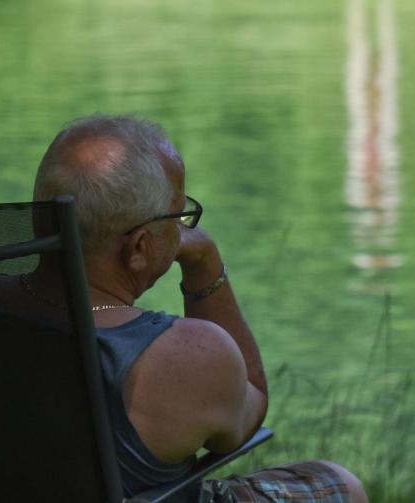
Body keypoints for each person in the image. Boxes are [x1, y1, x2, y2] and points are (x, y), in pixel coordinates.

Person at [27, 114, 368, 502]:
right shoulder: (181, 357)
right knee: (338, 484)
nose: (184, 229)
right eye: (178, 217)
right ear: (139, 248)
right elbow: (248, 405)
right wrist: (205, 263)